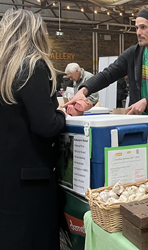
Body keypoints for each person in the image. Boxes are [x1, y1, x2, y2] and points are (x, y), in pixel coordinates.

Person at [65, 7, 148, 168]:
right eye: (136, 27)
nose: (138, 32)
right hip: (137, 129)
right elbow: (108, 74)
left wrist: (147, 102)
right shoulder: (134, 54)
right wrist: (84, 90)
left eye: (143, 27)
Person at [0, 9, 67, 250]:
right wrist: (62, 114)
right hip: (30, 181)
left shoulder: (6, 70)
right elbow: (46, 126)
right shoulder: (32, 66)